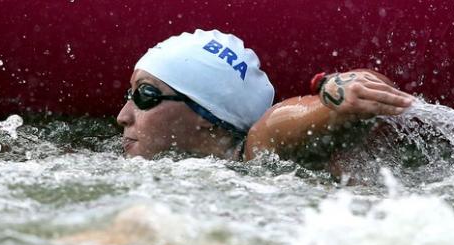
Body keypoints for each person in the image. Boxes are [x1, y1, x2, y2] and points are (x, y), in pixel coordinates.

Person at [116, 29, 415, 178]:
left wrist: (340, 90)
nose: (122, 116)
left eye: (145, 95)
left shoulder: (260, 148)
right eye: (130, 96)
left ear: (206, 113)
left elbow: (299, 117)